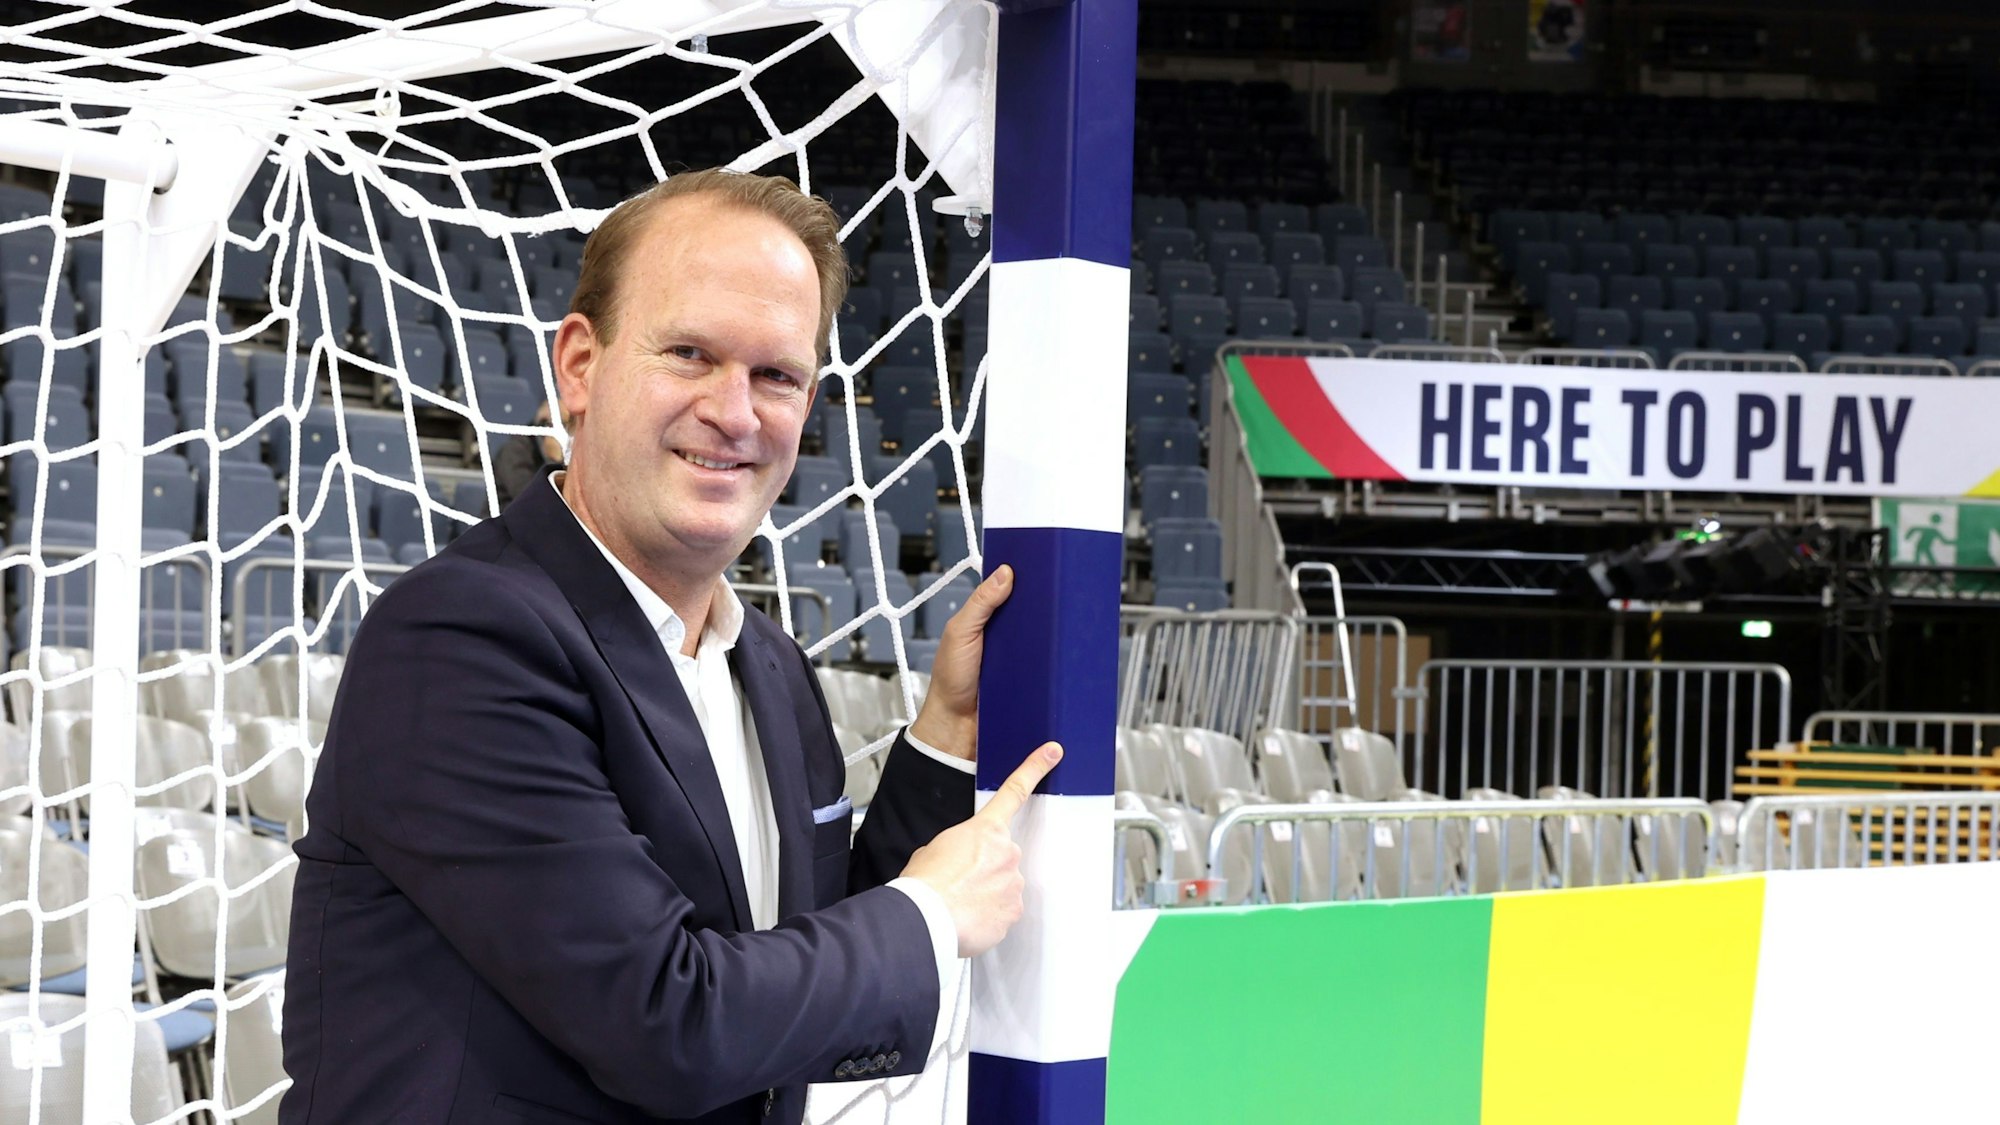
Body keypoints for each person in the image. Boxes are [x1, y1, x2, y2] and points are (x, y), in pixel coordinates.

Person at [280, 169, 1057, 1125]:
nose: (736, 413)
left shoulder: (772, 668)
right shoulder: (460, 641)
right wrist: (932, 916)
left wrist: (944, 732)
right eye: (689, 354)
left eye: (776, 375)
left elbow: (800, 946)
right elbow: (665, 1019)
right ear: (580, 366)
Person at [491, 398, 566, 509]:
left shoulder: (568, 451)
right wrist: (555, 462)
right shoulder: (515, 451)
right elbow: (530, 497)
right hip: (505, 520)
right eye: (566, 425)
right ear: (545, 426)